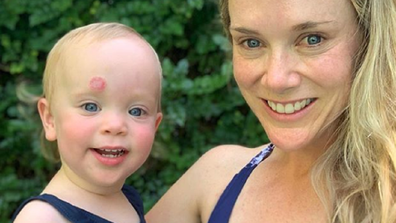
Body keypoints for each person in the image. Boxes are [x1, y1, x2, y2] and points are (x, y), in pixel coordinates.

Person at [146, 0, 396, 222]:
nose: (276, 79)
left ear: (371, 40)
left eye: (312, 39)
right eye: (252, 43)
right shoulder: (216, 178)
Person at [12, 22, 163, 223]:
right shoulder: (42, 218)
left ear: (155, 125)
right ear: (50, 119)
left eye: (136, 111)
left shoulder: (128, 199)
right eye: (90, 107)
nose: (115, 125)